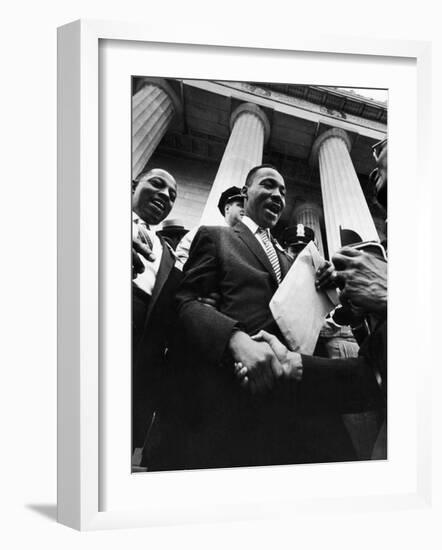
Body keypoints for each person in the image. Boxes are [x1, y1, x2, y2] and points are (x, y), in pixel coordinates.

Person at [152, 165, 357, 470]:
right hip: (232, 396)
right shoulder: (216, 237)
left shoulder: (294, 261)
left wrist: (326, 284)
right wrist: (234, 340)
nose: (278, 195)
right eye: (269, 186)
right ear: (246, 194)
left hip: (294, 403)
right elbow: (187, 301)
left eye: (283, 192)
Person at [131, 168, 183, 464]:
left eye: (173, 195)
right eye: (157, 184)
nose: (165, 195)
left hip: (140, 361)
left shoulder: (170, 255)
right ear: (135, 186)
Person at [175, 185, 245, 269]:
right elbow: (182, 254)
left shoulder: (245, 239)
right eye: (240, 205)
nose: (244, 210)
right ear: (227, 208)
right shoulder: (205, 229)